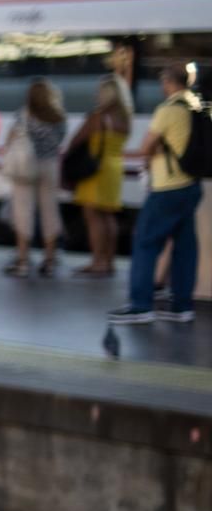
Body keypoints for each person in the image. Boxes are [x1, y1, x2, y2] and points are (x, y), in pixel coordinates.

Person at [110, 62, 202, 324]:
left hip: (167, 188)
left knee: (145, 242)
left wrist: (122, 155)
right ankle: (182, 306)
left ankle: (141, 305)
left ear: (168, 82)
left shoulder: (168, 110)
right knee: (185, 247)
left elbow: (146, 146)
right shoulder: (196, 105)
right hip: (191, 186)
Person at [4, 78, 68, 278]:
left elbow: (10, 139)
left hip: (26, 166)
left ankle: (22, 261)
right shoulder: (59, 117)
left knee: (23, 211)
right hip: (50, 166)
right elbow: (60, 140)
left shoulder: (23, 115)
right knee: (50, 211)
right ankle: (49, 260)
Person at [73, 74, 133, 278]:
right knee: (108, 215)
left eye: (100, 91)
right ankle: (109, 260)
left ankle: (97, 260)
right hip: (115, 167)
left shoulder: (98, 117)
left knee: (92, 216)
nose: (97, 95)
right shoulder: (125, 118)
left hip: (96, 169)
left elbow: (77, 140)